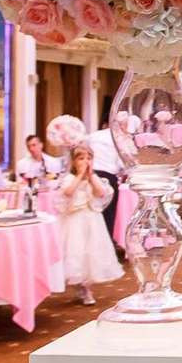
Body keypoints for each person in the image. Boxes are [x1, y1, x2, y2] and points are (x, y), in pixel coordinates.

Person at [56, 143, 122, 305]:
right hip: (74, 221)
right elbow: (68, 192)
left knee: (91, 252)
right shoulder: (70, 178)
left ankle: (87, 288)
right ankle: (80, 286)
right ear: (74, 162)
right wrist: (79, 176)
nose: (86, 162)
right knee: (76, 252)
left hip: (92, 219)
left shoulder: (94, 178)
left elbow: (101, 193)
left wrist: (91, 177)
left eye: (89, 158)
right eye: (81, 158)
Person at [88, 125, 125, 255]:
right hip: (108, 177)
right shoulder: (119, 137)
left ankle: (92, 248)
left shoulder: (93, 135)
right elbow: (122, 163)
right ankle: (105, 249)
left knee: (93, 212)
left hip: (91, 175)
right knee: (108, 215)